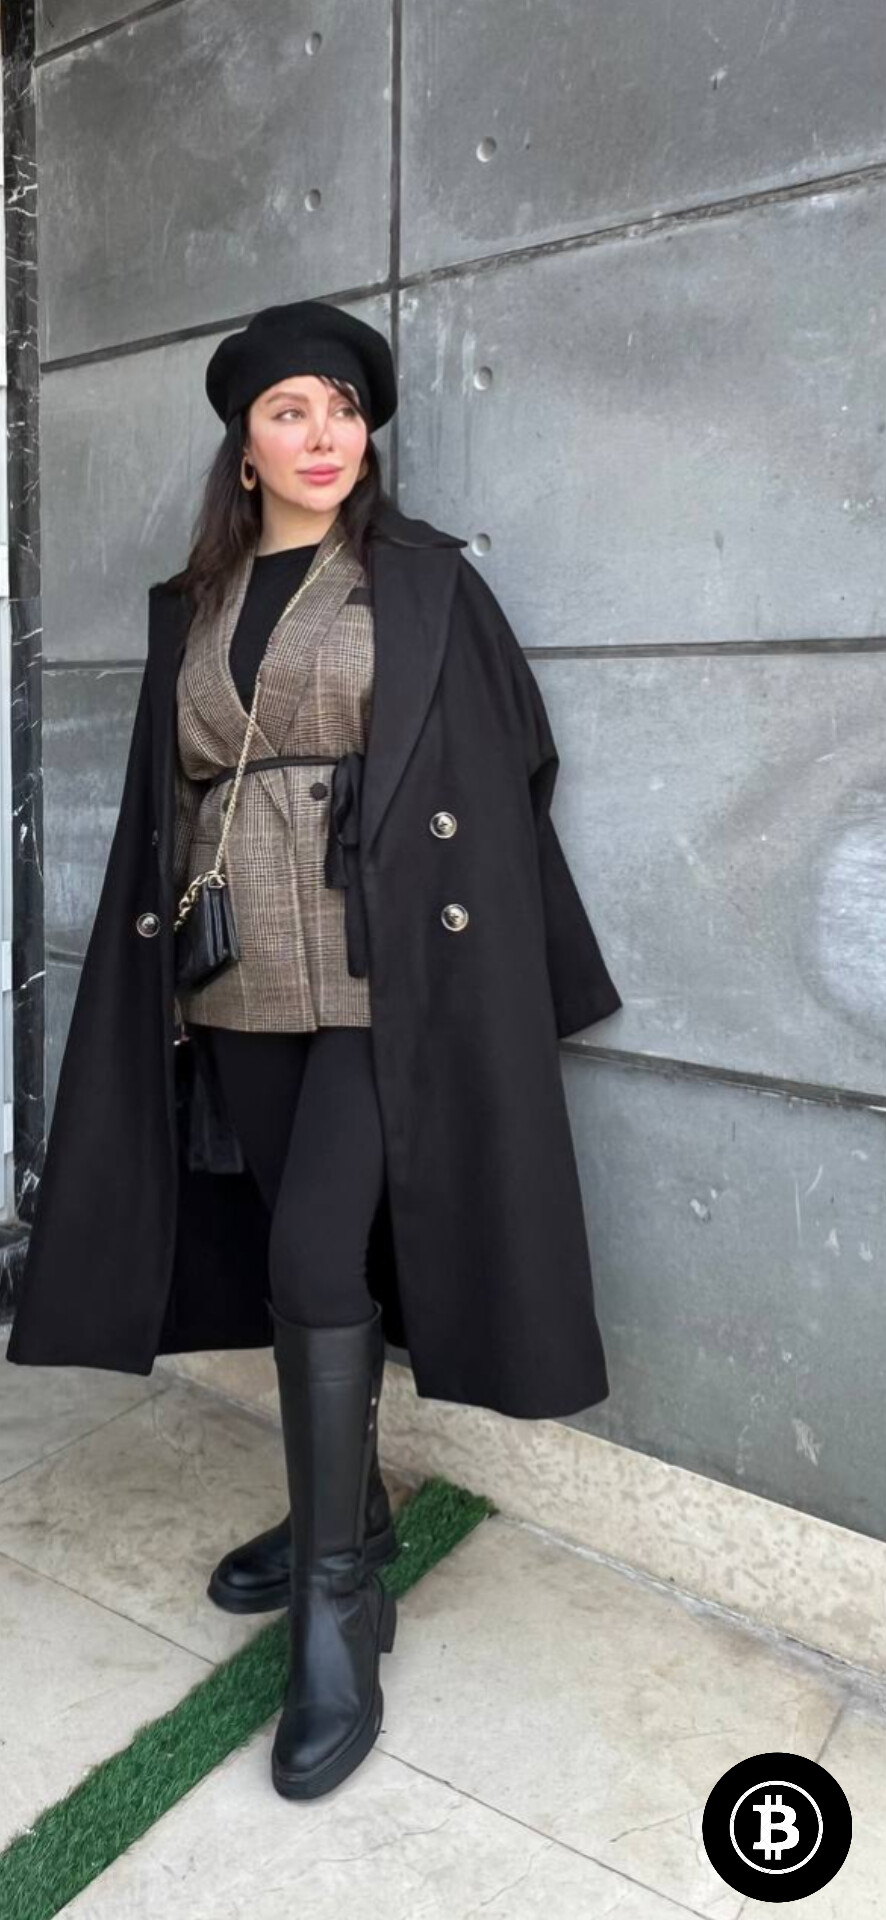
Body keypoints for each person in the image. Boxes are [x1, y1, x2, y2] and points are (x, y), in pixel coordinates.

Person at [6, 298, 624, 1802]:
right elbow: (171, 791)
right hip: (235, 975)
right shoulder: (194, 603)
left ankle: (339, 1604)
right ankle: (344, 1511)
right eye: (290, 410)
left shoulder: (422, 582)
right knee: (303, 1256)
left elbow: (511, 754)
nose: (324, 434)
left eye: (342, 409)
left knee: (310, 1256)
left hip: (384, 972)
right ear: (244, 447)